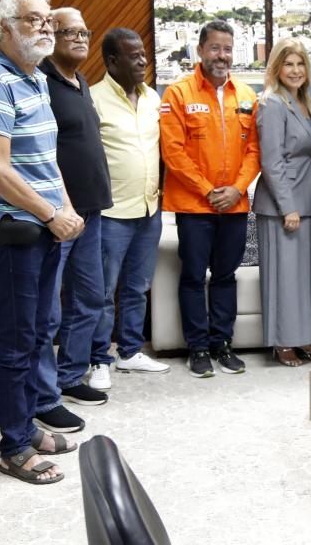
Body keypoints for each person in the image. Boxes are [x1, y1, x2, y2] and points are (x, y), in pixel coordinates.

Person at [0, 0, 84, 484]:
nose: (45, 28)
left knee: (38, 334)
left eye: (48, 21)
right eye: (34, 20)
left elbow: (47, 161)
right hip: (15, 232)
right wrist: (52, 214)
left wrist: (66, 208)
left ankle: (25, 423)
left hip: (46, 227)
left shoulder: (32, 78)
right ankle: (14, 448)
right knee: (16, 341)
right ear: (5, 27)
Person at [160, 20, 260, 377]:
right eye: (215, 48)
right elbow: (173, 153)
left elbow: (254, 150)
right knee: (191, 276)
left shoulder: (247, 95)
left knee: (224, 276)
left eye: (228, 49)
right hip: (193, 207)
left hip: (234, 205)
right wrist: (207, 190)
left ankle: (222, 343)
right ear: (200, 50)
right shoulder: (178, 93)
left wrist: (236, 189)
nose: (222, 56)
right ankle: (198, 347)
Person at [31, 8, 113, 433]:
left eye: (85, 31)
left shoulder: (78, 81)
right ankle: (44, 397)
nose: (80, 38)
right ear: (52, 36)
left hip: (91, 211)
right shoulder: (41, 82)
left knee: (91, 299)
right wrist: (57, 208)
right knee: (48, 313)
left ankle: (68, 377)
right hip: (58, 215)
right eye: (70, 32)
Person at [89, 28, 171, 383]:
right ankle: (98, 360)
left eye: (143, 55)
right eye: (133, 55)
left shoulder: (153, 98)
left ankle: (130, 352)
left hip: (148, 211)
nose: (142, 61)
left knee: (137, 287)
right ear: (111, 61)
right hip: (111, 214)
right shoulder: (91, 99)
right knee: (104, 292)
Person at [253, 38, 311, 365]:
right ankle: (282, 342)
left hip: (307, 201)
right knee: (284, 278)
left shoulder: (305, 102)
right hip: (284, 205)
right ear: (277, 68)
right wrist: (288, 207)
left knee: (305, 278)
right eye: (288, 64)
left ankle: (306, 336)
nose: (295, 71)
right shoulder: (272, 103)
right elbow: (271, 161)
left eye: (300, 64)